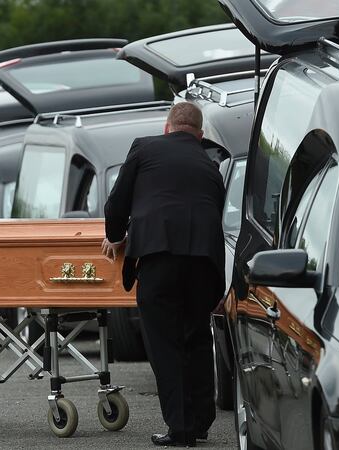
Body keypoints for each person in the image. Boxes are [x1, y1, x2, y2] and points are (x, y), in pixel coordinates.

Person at [102, 102, 225, 447]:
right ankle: (200, 422)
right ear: (200, 136)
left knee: (164, 343)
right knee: (197, 338)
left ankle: (181, 429)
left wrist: (115, 236)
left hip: (159, 257)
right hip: (204, 262)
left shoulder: (144, 146)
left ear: (167, 127)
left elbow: (117, 202)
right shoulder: (211, 165)